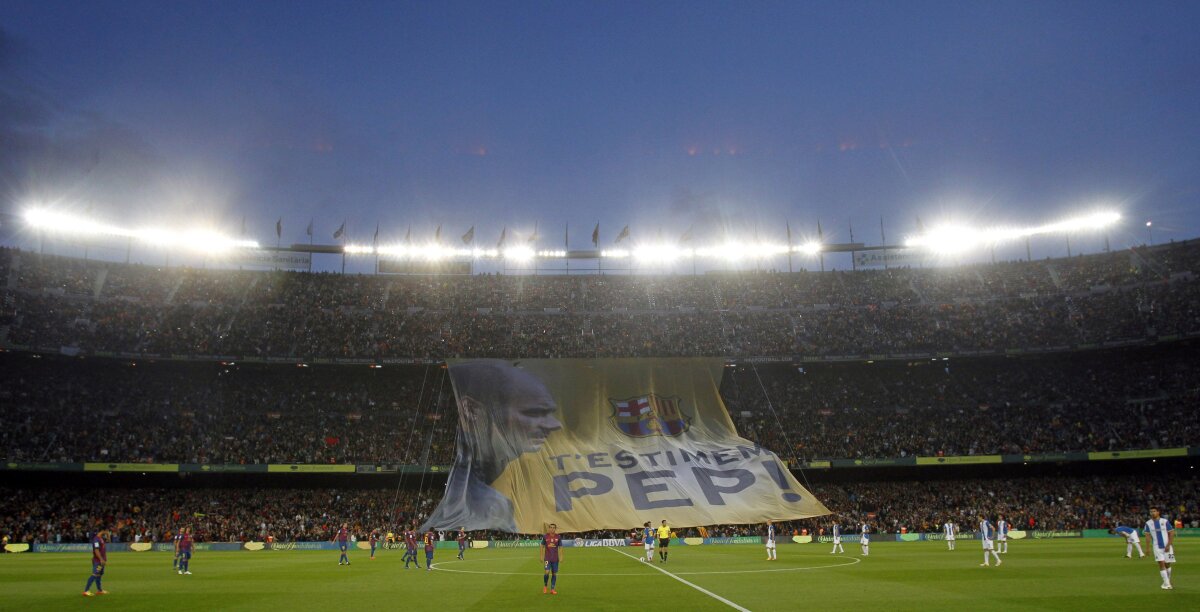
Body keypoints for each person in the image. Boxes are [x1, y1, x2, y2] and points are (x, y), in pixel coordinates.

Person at [422, 362, 562, 532]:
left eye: (549, 413)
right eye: (533, 412)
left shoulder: (488, 479)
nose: (555, 424)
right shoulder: (486, 504)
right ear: (471, 410)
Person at [1144, 508, 1175, 590]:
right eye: (1151, 511)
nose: (1152, 513)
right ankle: (1167, 584)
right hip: (1157, 547)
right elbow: (1147, 536)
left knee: (1168, 564)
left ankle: (1168, 581)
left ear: (1158, 512)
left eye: (1154, 511)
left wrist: (1168, 545)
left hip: (1167, 546)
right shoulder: (1148, 523)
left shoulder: (1165, 521)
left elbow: (1171, 533)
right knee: (1161, 564)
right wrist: (1147, 548)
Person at [82, 529, 109, 597]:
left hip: (101, 560)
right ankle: (86, 591)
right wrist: (101, 559)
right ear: (102, 531)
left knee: (99, 574)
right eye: (106, 531)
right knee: (95, 574)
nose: (107, 532)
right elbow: (96, 550)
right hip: (99, 561)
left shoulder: (101, 538)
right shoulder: (96, 540)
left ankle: (99, 590)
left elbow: (108, 541)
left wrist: (108, 535)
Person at [541, 523, 562, 595]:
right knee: (547, 572)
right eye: (551, 527)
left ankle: (552, 589)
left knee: (554, 573)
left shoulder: (558, 537)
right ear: (549, 528)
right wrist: (541, 556)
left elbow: (560, 547)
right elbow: (542, 546)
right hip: (547, 558)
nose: (552, 529)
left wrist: (561, 556)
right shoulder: (545, 536)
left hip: (555, 559)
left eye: (553, 528)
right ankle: (545, 586)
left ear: (555, 529)